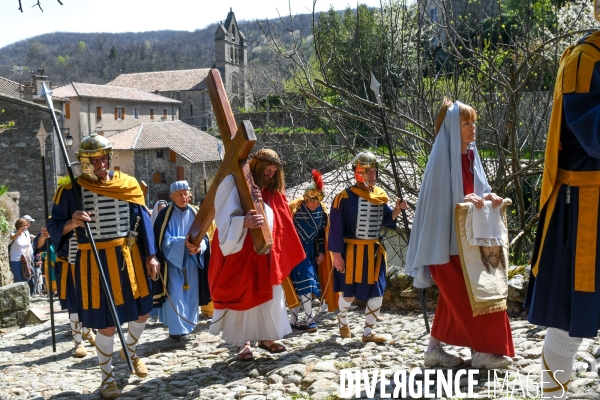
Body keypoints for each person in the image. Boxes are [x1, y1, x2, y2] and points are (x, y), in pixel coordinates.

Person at [48, 133, 159, 400]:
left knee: (143, 312)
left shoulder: (128, 184)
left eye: (104, 158)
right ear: (85, 162)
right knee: (107, 326)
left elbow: (142, 220)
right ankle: (107, 378)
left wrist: (150, 255)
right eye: (95, 160)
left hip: (128, 256)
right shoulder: (70, 191)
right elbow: (54, 228)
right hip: (93, 263)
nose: (101, 164)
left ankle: (130, 350)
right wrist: (71, 223)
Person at [405, 100, 514, 369]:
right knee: (475, 297)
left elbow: (477, 188)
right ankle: (482, 352)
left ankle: (433, 351)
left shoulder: (470, 155)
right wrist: (464, 199)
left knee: (454, 299)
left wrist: (487, 197)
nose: (472, 128)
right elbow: (440, 205)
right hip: (446, 246)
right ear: (453, 128)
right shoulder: (442, 160)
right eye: (466, 123)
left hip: (468, 243)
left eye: (473, 122)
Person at [525, 30, 600, 398]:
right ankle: (553, 393)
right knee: (571, 319)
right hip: (585, 210)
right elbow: (595, 137)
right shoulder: (585, 60)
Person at [208, 148, 305, 361]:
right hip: (240, 249)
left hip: (266, 252)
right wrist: (244, 221)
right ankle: (244, 343)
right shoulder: (233, 183)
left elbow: (281, 218)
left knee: (269, 294)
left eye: (274, 171)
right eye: (267, 169)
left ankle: (266, 337)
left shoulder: (272, 190)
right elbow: (222, 217)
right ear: (257, 166)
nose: (270, 174)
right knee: (244, 293)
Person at [329, 151, 407, 343]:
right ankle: (342, 319)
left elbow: (387, 220)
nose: (373, 175)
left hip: (374, 253)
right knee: (349, 295)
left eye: (374, 171)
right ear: (358, 172)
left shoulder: (380, 196)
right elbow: (336, 230)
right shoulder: (343, 198)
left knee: (377, 292)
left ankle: (368, 333)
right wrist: (336, 256)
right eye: (368, 171)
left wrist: (397, 209)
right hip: (351, 252)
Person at [152, 181, 211, 341]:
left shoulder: (195, 212)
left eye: (185, 193)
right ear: (172, 196)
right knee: (176, 294)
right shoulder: (165, 216)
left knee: (191, 295)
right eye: (179, 194)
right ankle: (177, 330)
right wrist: (182, 243)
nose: (183, 197)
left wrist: (201, 247)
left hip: (192, 262)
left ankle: (188, 326)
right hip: (173, 264)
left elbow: (205, 236)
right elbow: (163, 241)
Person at [287, 169, 337, 332]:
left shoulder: (322, 212)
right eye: (311, 201)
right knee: (304, 283)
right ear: (306, 198)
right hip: (295, 251)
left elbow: (322, 234)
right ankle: (309, 319)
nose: (314, 204)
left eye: (317, 201)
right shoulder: (295, 209)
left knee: (302, 286)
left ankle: (294, 320)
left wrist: (321, 252)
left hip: (310, 251)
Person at [34, 226, 96, 357]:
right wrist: (43, 237)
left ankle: (87, 330)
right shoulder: (56, 221)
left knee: (89, 302)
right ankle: (78, 342)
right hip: (68, 268)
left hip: (89, 264)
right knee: (74, 306)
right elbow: (39, 245)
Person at [9, 217, 33, 284]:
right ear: (19, 226)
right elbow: (13, 238)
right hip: (15, 260)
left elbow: (28, 245)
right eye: (24, 225)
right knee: (18, 279)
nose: (26, 227)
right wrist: (20, 231)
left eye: (26, 225)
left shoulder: (25, 234)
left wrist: (27, 254)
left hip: (24, 260)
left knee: (26, 278)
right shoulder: (13, 233)